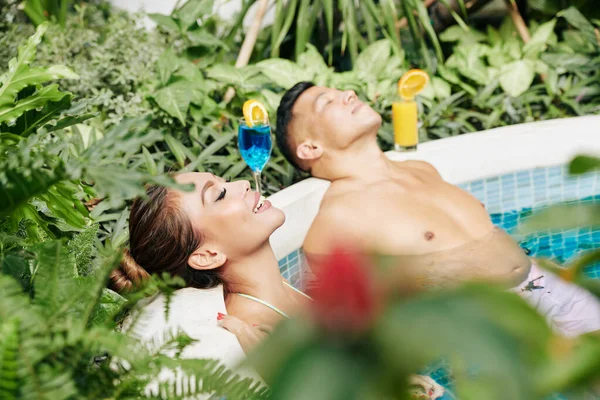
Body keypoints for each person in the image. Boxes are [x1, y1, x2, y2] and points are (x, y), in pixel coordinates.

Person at [275, 81, 600, 337]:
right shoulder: (336, 219)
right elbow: (341, 319)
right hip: (490, 321)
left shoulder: (422, 169)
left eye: (339, 91)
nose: (346, 94)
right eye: (326, 102)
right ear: (310, 147)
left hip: (544, 283)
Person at [110, 172, 312, 352]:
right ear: (207, 256)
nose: (244, 183)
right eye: (220, 195)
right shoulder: (259, 329)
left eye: (226, 182)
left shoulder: (276, 289)